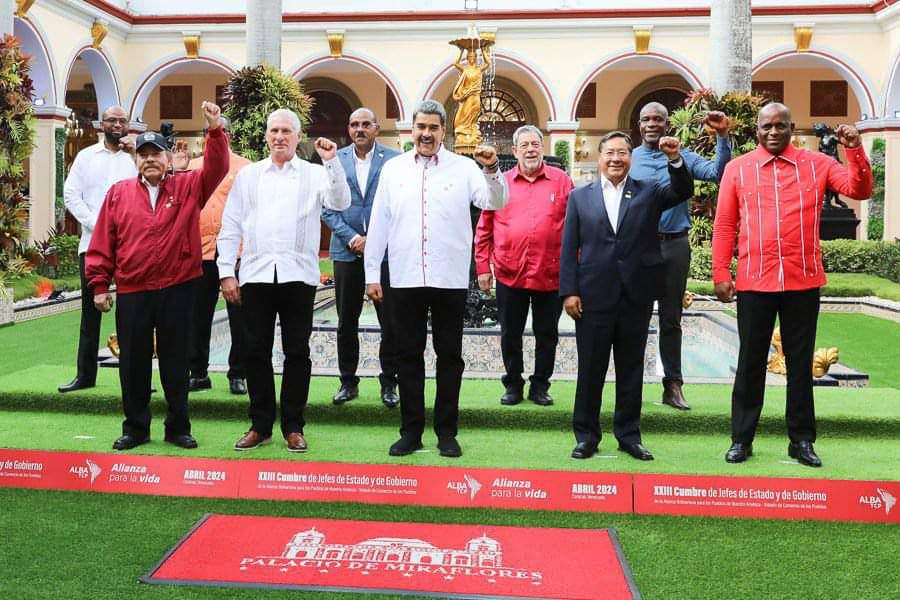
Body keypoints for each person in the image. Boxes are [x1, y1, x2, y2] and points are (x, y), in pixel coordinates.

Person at [712, 102, 873, 467]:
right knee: (750, 362)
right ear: (756, 131)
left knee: (800, 365)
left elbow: (858, 189)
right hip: (754, 280)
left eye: (780, 126)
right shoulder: (738, 169)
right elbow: (724, 226)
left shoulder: (817, 165)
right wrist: (721, 273)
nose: (772, 132)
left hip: (802, 280)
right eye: (766, 126)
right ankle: (742, 438)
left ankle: (801, 441)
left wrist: (854, 149)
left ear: (791, 127)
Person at [364, 99, 507, 459]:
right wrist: (371, 274)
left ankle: (447, 432)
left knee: (450, 356)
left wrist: (491, 169)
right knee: (407, 355)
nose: (426, 134)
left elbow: (495, 202)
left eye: (433, 128)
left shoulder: (465, 168)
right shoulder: (394, 170)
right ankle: (411, 432)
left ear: (444, 131)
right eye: (421, 127)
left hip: (449, 277)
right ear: (411, 130)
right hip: (405, 275)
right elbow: (379, 223)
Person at [85, 100, 229, 450]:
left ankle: (178, 427)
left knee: (176, 362)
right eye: (144, 154)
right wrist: (99, 284)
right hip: (134, 291)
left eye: (157, 154)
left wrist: (214, 129)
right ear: (137, 160)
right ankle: (135, 428)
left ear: (168, 159)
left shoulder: (187, 187)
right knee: (132, 364)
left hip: (178, 289)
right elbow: (103, 240)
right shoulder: (118, 194)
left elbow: (217, 168)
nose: (150, 159)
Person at [218, 109, 350, 453]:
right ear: (266, 136)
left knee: (297, 352)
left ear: (297, 136)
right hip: (256, 275)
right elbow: (231, 224)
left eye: (286, 131)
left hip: (298, 276)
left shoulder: (313, 173)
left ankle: (293, 425)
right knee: (255, 352)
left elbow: (341, 201)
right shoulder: (249, 176)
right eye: (274, 131)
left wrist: (332, 161)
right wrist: (226, 271)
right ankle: (260, 425)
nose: (279, 137)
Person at [560, 131, 692, 461]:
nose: (616, 158)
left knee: (631, 369)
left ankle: (629, 435)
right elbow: (568, 249)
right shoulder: (580, 197)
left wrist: (675, 159)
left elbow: (682, 190)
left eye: (623, 153)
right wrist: (569, 292)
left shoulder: (648, 191)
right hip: (592, 297)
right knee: (590, 369)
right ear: (599, 157)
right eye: (610, 153)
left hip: (636, 296)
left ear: (630, 158)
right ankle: (586, 435)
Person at [630, 102, 732, 410]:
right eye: (646, 119)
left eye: (658, 119)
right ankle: (631, 385)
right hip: (638, 245)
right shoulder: (630, 158)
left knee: (671, 318)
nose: (652, 124)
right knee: (635, 317)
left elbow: (719, 173)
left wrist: (723, 136)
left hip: (674, 245)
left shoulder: (682, 156)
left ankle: (672, 386)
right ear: (639, 125)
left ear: (666, 124)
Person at [474, 124, 574, 407]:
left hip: (550, 273)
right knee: (510, 333)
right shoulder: (499, 182)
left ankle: (540, 385)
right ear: (515, 151)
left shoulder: (562, 181)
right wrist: (483, 267)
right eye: (525, 145)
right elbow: (484, 228)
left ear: (543, 148)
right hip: (509, 272)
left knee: (547, 334)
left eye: (535, 144)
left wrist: (574, 271)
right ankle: (513, 384)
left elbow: (576, 227)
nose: (531, 149)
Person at [321, 108, 401, 408]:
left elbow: (400, 204)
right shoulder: (334, 159)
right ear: (349, 128)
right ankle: (347, 381)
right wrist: (353, 238)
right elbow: (327, 206)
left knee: (390, 321)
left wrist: (376, 240)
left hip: (385, 254)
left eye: (366, 124)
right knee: (346, 320)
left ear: (376, 129)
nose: (360, 129)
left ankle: (389, 382)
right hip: (347, 251)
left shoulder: (393, 160)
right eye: (354, 124)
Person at [59, 105, 137, 393]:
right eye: (111, 120)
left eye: (122, 121)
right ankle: (84, 375)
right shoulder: (85, 157)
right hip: (92, 244)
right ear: (100, 125)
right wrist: (98, 223)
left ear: (128, 125)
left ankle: (135, 378)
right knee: (90, 312)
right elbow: (70, 194)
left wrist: (136, 154)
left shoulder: (135, 158)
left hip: (131, 245)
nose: (117, 125)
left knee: (133, 314)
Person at [185, 117, 251, 396]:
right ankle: (198, 373)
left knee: (240, 317)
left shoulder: (246, 168)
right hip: (200, 250)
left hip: (235, 252)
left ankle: (238, 373)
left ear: (230, 136)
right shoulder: (192, 166)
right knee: (197, 316)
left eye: (225, 131)